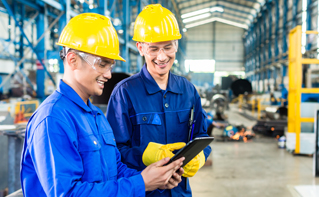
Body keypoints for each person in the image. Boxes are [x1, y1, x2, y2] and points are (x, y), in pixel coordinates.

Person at [20, 13, 185, 197]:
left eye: (110, 66)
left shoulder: (96, 116)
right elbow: (68, 193)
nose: (108, 75)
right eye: (102, 64)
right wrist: (141, 183)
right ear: (73, 60)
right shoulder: (53, 119)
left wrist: (154, 178)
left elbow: (116, 170)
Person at [106, 4, 212, 196]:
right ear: (140, 48)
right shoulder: (125, 93)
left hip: (180, 192)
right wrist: (147, 155)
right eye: (153, 49)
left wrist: (200, 157)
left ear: (176, 46)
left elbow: (201, 136)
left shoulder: (188, 91)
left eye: (167, 47)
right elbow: (113, 151)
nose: (162, 57)